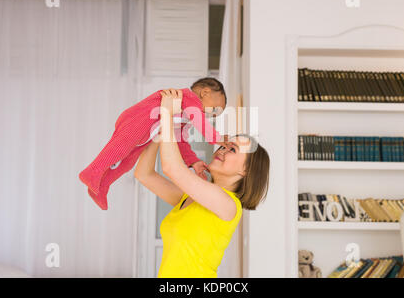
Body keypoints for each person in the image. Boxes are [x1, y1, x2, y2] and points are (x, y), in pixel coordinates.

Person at [134, 88, 270, 278]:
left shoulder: (229, 205)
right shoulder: (190, 199)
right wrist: (160, 126)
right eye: (224, 144)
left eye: (232, 149)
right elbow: (144, 174)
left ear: (245, 170)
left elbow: (172, 168)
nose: (222, 148)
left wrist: (167, 115)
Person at [79, 78, 229, 210]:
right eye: (213, 110)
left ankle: (101, 187)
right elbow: (200, 122)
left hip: (147, 132)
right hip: (137, 119)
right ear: (205, 92)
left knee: (128, 163)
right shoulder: (189, 98)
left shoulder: (184, 116)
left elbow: (180, 140)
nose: (209, 116)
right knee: (119, 149)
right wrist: (216, 137)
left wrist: (193, 161)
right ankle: (92, 171)